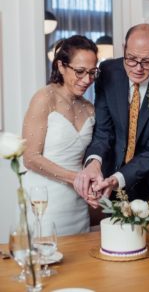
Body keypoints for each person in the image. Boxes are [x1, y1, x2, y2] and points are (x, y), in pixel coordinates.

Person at [73, 24, 149, 207]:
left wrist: (118, 179)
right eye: (131, 58)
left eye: (147, 61)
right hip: (117, 182)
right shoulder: (108, 72)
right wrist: (94, 162)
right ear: (124, 49)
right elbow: (103, 131)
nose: (137, 68)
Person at [22, 35, 100, 235]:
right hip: (44, 199)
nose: (87, 80)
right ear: (62, 66)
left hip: (77, 201)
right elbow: (30, 158)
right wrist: (75, 178)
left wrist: (91, 183)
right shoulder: (44, 98)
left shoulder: (90, 108)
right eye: (80, 72)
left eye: (92, 73)